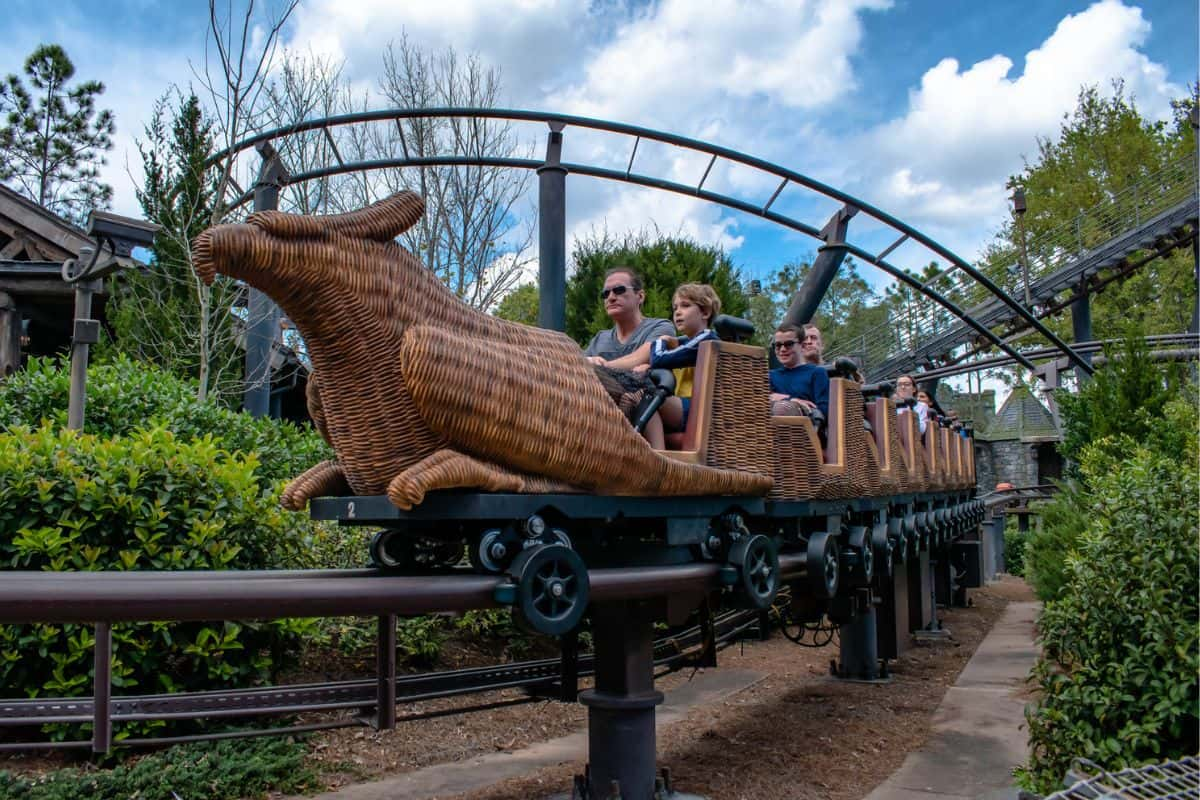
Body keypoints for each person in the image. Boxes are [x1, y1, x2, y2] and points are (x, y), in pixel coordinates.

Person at [650, 283, 721, 435]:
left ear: (705, 312)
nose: (678, 312)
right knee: (634, 398)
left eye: (685, 306)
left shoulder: (706, 339)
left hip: (700, 409)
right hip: (684, 405)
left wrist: (660, 340)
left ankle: (657, 458)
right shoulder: (685, 343)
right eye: (675, 308)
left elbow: (658, 359)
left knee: (648, 399)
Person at [584, 267, 674, 370]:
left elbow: (641, 358)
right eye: (605, 294)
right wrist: (586, 362)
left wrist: (598, 367)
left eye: (619, 290)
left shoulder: (660, 327)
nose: (611, 298)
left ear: (640, 296)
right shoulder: (599, 339)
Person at [769, 323, 829, 418]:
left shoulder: (817, 373)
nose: (782, 349)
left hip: (807, 430)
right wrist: (791, 400)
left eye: (789, 344)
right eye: (778, 345)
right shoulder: (770, 376)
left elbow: (824, 411)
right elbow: (757, 401)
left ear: (802, 345)